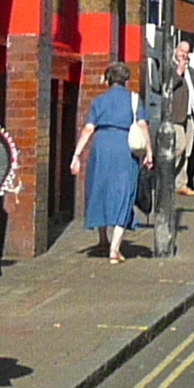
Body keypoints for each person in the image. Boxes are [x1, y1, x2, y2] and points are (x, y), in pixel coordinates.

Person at [69, 59, 146, 260]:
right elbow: (142, 125)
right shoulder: (134, 99)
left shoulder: (98, 101)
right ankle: (114, 249)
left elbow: (88, 129)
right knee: (123, 192)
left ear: (107, 80)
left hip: (101, 146)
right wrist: (149, 152)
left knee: (100, 189)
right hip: (124, 148)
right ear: (126, 80)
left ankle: (102, 240)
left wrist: (76, 155)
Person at [165, 35, 194, 197]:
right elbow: (167, 87)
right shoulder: (170, 68)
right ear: (175, 51)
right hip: (176, 116)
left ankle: (181, 184)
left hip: (189, 116)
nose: (184, 55)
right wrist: (178, 71)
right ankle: (165, 178)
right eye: (181, 51)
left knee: (187, 151)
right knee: (178, 148)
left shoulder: (190, 71)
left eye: (187, 52)